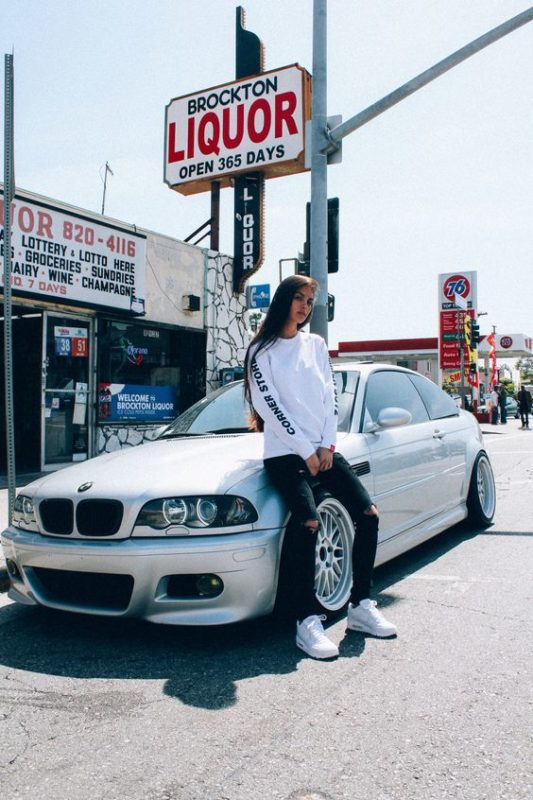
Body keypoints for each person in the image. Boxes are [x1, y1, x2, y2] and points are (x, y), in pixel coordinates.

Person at [243, 275, 397, 660]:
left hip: (323, 450)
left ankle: (360, 605)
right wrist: (304, 450)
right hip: (284, 454)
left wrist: (328, 444)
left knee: (368, 513)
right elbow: (269, 408)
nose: (305, 306)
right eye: (298, 298)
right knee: (308, 522)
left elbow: (330, 396)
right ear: (283, 301)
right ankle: (306, 620)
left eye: (310, 301)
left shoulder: (316, 345)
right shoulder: (262, 351)